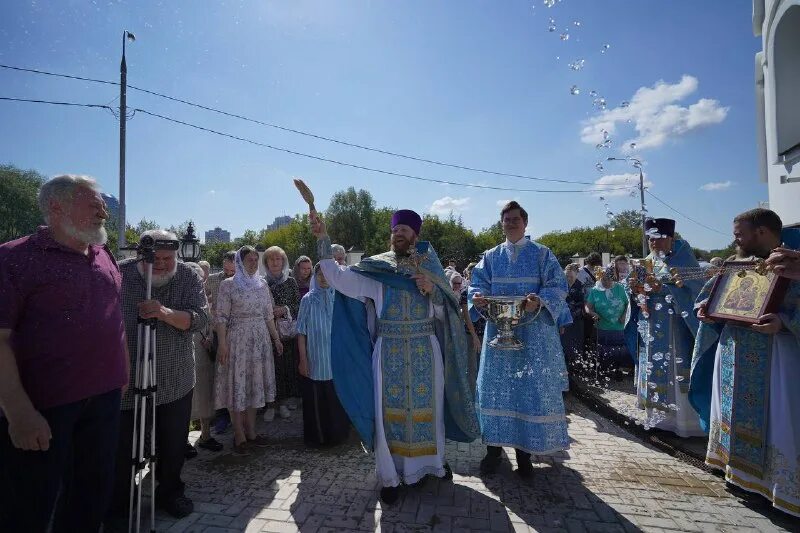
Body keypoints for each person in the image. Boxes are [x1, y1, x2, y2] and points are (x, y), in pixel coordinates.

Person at [310, 208, 479, 504]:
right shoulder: (378, 269)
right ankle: (391, 477)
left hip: (426, 350)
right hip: (388, 352)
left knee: (431, 409)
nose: (398, 233)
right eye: (395, 229)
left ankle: (433, 464)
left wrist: (433, 292)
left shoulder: (431, 268)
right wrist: (323, 239)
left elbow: (446, 313)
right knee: (389, 415)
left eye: (404, 229)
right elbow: (337, 278)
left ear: (416, 235)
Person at [0, 175, 127, 532]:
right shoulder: (15, 258)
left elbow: (113, 318)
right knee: (29, 506)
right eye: (94, 203)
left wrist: (123, 372)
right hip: (43, 408)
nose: (104, 209)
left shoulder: (104, 256)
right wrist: (18, 411)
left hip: (103, 401)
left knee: (90, 498)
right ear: (57, 207)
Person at [691, 208, 800, 517]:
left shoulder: (793, 261)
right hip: (733, 351)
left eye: (740, 233)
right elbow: (712, 295)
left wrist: (786, 321)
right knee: (731, 410)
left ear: (762, 232)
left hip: (778, 355)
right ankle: (738, 474)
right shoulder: (736, 263)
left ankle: (777, 487)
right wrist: (705, 309)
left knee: (778, 419)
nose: (735, 238)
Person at [109, 229, 209, 520]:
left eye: (169, 258)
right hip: (127, 378)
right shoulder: (120, 273)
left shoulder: (188, 276)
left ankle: (171, 492)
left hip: (174, 375)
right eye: (156, 258)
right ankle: (120, 501)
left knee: (172, 441)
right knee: (123, 444)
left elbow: (201, 318)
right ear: (141, 255)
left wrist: (164, 313)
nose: (163, 264)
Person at [469, 201, 570, 478]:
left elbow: (558, 286)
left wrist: (539, 300)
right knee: (494, 390)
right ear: (501, 224)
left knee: (527, 392)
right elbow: (477, 285)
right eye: (506, 219)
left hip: (532, 334)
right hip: (497, 336)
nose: (511, 223)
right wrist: (477, 297)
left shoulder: (542, 254)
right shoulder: (490, 256)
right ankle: (492, 452)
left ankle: (524, 455)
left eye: (515, 219)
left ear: (525, 222)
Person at [634, 218, 705, 437]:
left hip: (676, 329)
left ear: (671, 238)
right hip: (653, 328)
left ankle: (683, 424)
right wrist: (637, 290)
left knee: (675, 370)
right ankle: (659, 420)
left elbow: (697, 291)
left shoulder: (684, 259)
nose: (654, 243)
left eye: (658, 238)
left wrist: (664, 288)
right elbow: (638, 294)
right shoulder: (647, 262)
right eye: (650, 239)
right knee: (655, 370)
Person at [215, 246, 283, 454]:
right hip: (238, 341)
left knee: (255, 386)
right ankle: (238, 434)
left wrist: (276, 338)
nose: (254, 263)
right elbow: (221, 318)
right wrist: (223, 343)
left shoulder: (262, 284)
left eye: (256, 259)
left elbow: (268, 315)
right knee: (238, 387)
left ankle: (252, 432)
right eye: (249, 260)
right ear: (239, 262)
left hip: (260, 340)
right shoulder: (228, 285)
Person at [296, 263, 350, 447]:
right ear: (315, 276)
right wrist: (303, 360)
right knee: (317, 401)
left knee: (336, 401)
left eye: (327, 274)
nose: (324, 278)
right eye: (320, 274)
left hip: (336, 361)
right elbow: (301, 332)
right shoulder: (308, 300)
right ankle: (318, 439)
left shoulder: (341, 299)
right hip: (316, 359)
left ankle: (337, 437)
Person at [184, 262, 223, 454]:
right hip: (185, 354)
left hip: (203, 354)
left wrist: (210, 336)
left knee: (205, 394)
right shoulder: (180, 296)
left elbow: (211, 321)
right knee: (185, 397)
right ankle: (182, 441)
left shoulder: (205, 298)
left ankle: (206, 435)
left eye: (201, 278)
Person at [264, 246, 301, 420]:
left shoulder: (291, 281)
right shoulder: (262, 282)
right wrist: (270, 312)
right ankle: (271, 405)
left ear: (283, 261)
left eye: (278, 259)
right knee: (270, 368)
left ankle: (284, 402)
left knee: (286, 367)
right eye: (271, 259)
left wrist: (284, 309)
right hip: (268, 333)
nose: (275, 262)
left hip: (287, 333)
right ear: (266, 262)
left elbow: (299, 305)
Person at [206, 251, 236, 434]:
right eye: (226, 270)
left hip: (240, 334)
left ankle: (240, 415)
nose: (229, 274)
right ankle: (222, 416)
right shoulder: (213, 280)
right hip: (219, 334)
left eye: (232, 271)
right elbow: (204, 304)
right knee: (221, 375)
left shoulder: (245, 280)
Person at [585, 266, 629, 376]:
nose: (607, 282)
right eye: (604, 279)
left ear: (613, 278)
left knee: (620, 350)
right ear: (600, 279)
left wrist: (624, 315)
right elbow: (588, 306)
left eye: (609, 279)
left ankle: (618, 370)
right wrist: (592, 313)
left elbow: (628, 304)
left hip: (619, 327)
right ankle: (604, 370)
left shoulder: (620, 288)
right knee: (602, 350)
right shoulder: (595, 290)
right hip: (602, 326)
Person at [560, 263, 585, 367]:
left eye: (571, 276)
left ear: (576, 275)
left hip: (576, 319)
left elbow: (582, 302)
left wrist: (573, 308)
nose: (569, 278)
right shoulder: (561, 285)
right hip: (563, 319)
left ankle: (575, 367)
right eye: (567, 276)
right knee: (564, 344)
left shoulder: (580, 285)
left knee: (576, 344)